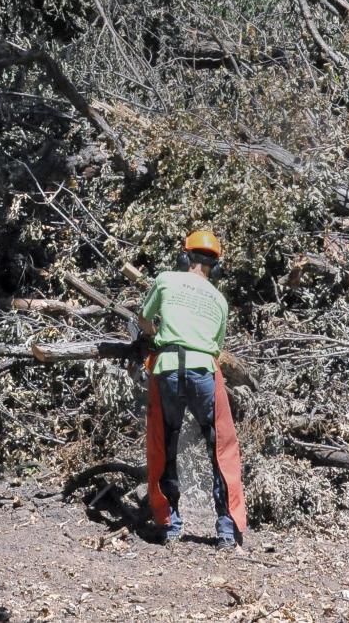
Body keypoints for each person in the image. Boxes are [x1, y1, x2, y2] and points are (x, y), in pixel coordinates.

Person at [137, 229, 247, 549]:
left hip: (167, 369)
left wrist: (157, 336)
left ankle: (170, 525)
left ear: (184, 257)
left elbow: (144, 320)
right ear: (217, 266)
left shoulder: (166, 280)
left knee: (165, 445)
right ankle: (227, 531)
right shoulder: (220, 301)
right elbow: (215, 346)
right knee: (221, 449)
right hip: (203, 372)